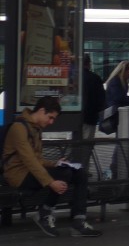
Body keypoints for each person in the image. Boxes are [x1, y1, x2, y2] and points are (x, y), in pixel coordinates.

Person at [2, 96, 101, 237]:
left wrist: (56, 163)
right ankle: (44, 212)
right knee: (64, 174)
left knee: (79, 173)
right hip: (18, 175)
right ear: (42, 110)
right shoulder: (19, 128)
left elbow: (38, 160)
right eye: (50, 117)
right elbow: (30, 160)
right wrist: (51, 182)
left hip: (31, 172)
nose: (51, 122)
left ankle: (79, 220)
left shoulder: (36, 129)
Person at [102, 60, 129, 132]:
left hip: (117, 111)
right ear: (123, 71)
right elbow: (118, 97)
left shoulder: (121, 81)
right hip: (114, 112)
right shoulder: (116, 81)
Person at [80, 54, 106, 141]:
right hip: (90, 117)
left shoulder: (74, 77)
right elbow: (101, 99)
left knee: (75, 143)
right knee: (86, 143)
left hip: (74, 117)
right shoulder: (95, 78)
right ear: (89, 64)